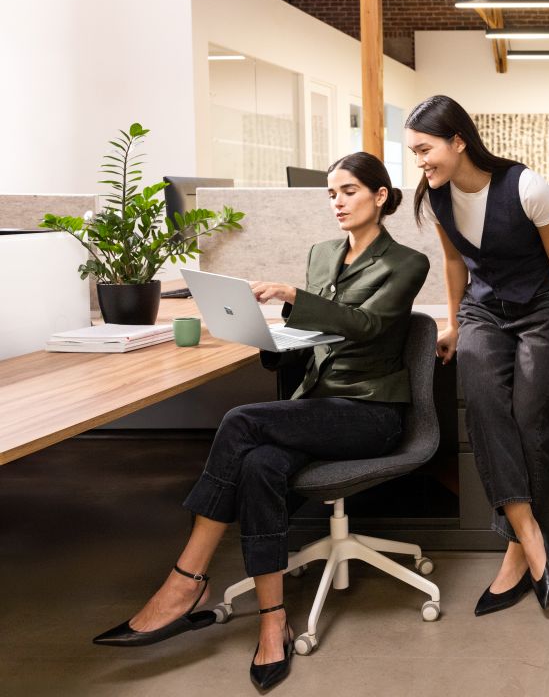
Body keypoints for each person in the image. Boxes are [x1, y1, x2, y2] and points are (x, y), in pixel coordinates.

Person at [93, 152, 428, 692]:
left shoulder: (407, 262)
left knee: (240, 421)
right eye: (331, 194)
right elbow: (320, 338)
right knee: (260, 464)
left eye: (348, 191)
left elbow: (367, 325)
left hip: (369, 412)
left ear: (380, 196)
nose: (337, 202)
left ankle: (186, 581)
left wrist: (295, 297)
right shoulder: (322, 253)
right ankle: (273, 621)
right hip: (316, 406)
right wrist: (268, 337)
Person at [406, 95, 549, 616]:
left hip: (541, 308)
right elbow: (453, 264)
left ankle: (513, 550)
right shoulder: (435, 195)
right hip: (484, 311)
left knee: (531, 418)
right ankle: (530, 533)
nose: (419, 162)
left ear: (458, 140)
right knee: (484, 404)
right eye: (414, 152)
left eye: (425, 149)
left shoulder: (525, 186)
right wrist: (455, 323)